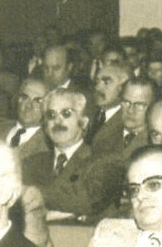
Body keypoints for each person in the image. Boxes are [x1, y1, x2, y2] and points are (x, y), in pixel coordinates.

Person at [22, 89, 123, 220]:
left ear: (84, 122)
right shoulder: (30, 164)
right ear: (45, 126)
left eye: (66, 113)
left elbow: (88, 200)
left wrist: (32, 193)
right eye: (51, 115)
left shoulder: (105, 161)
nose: (58, 121)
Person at [89, 75, 152, 161]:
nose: (130, 110)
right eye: (126, 102)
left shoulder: (153, 143)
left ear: (153, 107)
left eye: (139, 105)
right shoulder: (103, 135)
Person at [0, 78, 50, 159]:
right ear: (17, 100)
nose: (29, 106)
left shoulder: (47, 144)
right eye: (25, 98)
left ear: (48, 107)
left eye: (38, 101)